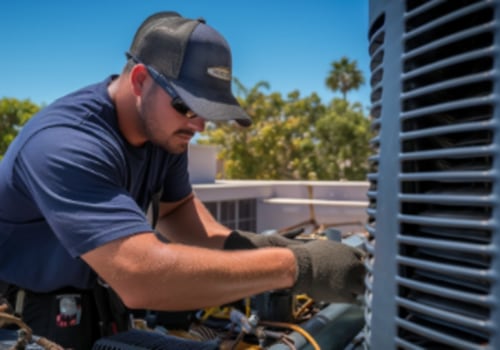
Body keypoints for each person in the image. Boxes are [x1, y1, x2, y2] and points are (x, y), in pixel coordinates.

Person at [0, 11, 365, 349]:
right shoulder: (65, 144)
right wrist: (299, 267)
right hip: (30, 322)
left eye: (208, 112)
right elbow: (140, 275)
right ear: (141, 80)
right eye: (188, 106)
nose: (199, 125)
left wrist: (259, 248)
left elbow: (179, 215)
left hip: (106, 309)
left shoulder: (164, 136)